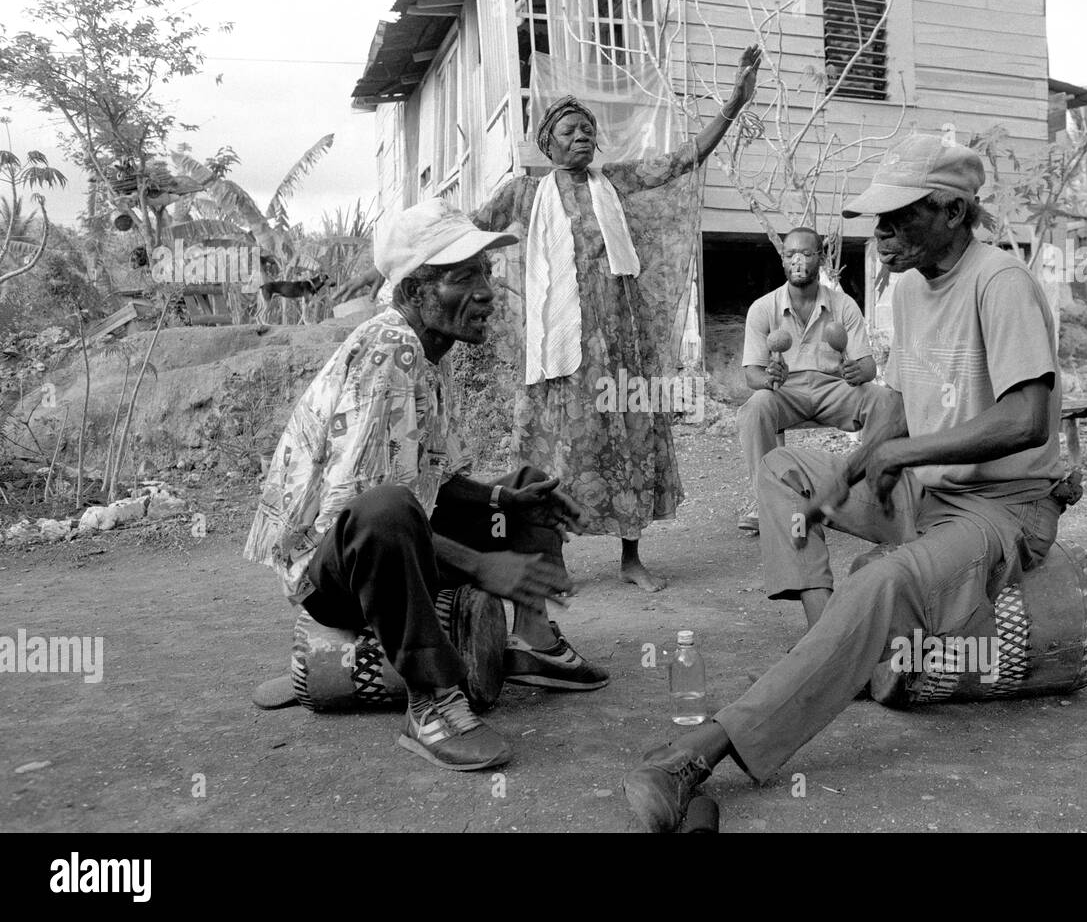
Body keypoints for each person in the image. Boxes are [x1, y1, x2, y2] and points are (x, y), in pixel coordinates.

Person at [622, 133, 1077, 831]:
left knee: (878, 582)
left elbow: (1028, 418)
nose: (882, 233)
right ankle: (835, 644)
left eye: (900, 217)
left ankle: (698, 754)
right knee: (782, 471)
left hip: (1001, 508)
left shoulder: (1000, 281)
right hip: (928, 490)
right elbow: (896, 393)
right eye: (877, 220)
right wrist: (869, 450)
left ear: (954, 212)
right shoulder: (908, 287)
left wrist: (907, 453)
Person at [244, 199, 609, 773]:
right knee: (387, 511)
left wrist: (503, 503)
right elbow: (361, 516)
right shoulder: (387, 349)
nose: (486, 290)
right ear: (414, 292)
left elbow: (436, 480)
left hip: (383, 538)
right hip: (332, 573)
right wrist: (481, 566)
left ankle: (533, 644)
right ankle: (432, 701)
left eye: (485, 273)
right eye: (463, 277)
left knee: (525, 485)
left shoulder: (430, 352)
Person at [471, 45, 762, 592]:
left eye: (588, 130)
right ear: (546, 143)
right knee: (558, 447)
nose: (581, 137)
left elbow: (684, 159)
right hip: (560, 349)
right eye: (569, 131)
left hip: (621, 340)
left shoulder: (616, 183)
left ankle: (631, 558)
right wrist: (398, 260)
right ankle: (552, 560)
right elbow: (468, 229)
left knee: (629, 438)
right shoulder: (525, 192)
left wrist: (734, 104)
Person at [736, 226, 877, 533]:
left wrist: (857, 372)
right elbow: (751, 375)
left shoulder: (844, 306)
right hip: (787, 393)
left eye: (806, 253)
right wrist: (768, 379)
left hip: (835, 390)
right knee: (756, 406)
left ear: (821, 258)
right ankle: (769, 501)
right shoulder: (763, 308)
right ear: (782, 260)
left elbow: (868, 368)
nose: (797, 261)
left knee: (885, 402)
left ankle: (881, 496)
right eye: (790, 255)